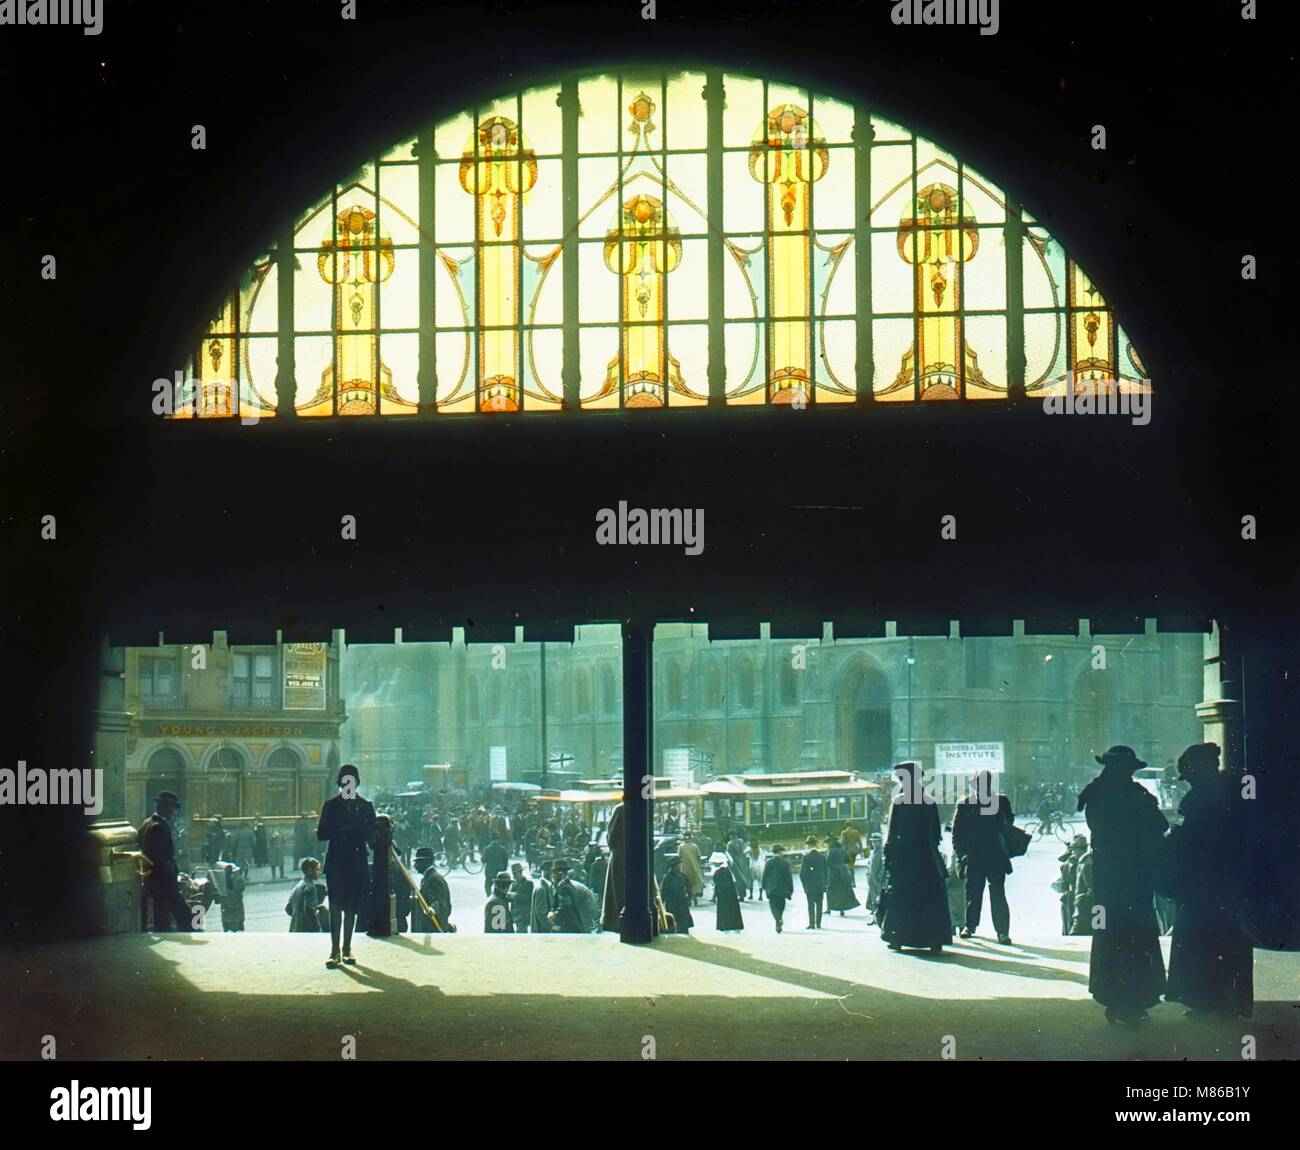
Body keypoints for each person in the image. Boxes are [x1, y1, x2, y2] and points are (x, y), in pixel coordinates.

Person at [1078, 745, 1168, 1024]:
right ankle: (1135, 1000)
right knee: (1137, 934)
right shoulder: (1137, 796)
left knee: (1109, 934)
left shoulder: (1094, 794)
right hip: (1135, 876)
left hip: (1107, 876)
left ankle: (1112, 998)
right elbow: (1160, 824)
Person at [1164, 743, 1253, 1019]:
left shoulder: (1201, 799)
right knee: (1227, 942)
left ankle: (1209, 1002)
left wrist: (1173, 842)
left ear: (1198, 771)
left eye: (1189, 775)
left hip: (1203, 884)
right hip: (1227, 882)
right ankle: (1226, 1002)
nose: (1187, 780)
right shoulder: (1228, 792)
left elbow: (1192, 841)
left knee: (1203, 942)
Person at [878, 762, 952, 953]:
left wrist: (888, 855)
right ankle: (935, 940)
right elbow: (936, 832)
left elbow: (892, 832)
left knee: (902, 898)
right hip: (926, 856)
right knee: (931, 898)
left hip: (904, 856)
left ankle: (897, 938)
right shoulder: (929, 800)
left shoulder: (899, 800)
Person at [317, 764, 378, 969]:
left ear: (357, 783)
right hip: (337, 862)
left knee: (350, 908)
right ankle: (335, 950)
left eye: (352, 782)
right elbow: (321, 834)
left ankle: (347, 948)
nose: (349, 785)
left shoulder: (366, 806)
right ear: (341, 784)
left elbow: (372, 837)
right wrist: (343, 829)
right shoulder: (331, 806)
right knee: (335, 907)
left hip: (354, 862)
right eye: (346, 782)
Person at [951, 770, 1015, 943]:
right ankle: (970, 926)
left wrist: (999, 815)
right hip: (974, 857)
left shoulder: (1001, 801)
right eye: (979, 783)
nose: (983, 786)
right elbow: (957, 834)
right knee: (973, 892)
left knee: (998, 894)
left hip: (995, 855)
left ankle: (1002, 932)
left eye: (987, 783)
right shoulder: (964, 804)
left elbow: (1009, 824)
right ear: (973, 785)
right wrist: (962, 855)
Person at [138, 791, 195, 932]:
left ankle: (167, 935)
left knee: (162, 915)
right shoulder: (159, 827)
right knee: (184, 916)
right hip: (163, 881)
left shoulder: (146, 823)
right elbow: (159, 857)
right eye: (173, 808)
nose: (174, 812)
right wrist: (170, 871)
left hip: (153, 879)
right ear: (167, 807)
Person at [600, 803, 626, 931]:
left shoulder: (620, 810)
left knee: (616, 888)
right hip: (631, 854)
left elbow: (611, 837)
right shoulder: (640, 807)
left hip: (619, 855)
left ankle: (614, 921)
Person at [1056, 835, 1088, 935]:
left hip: (1073, 900)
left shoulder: (1070, 864)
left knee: (1071, 929)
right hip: (1073, 900)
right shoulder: (1074, 863)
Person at [287, 857, 327, 932]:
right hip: (305, 930)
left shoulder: (298, 885)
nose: (319, 872)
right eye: (317, 869)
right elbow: (310, 911)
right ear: (309, 870)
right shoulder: (310, 887)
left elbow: (288, 908)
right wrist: (318, 930)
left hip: (294, 929)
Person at [761, 844, 794, 933]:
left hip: (772, 889)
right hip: (782, 889)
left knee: (773, 907)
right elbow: (789, 877)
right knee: (781, 906)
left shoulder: (769, 862)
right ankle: (778, 923)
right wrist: (790, 889)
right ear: (779, 852)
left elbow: (765, 875)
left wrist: (764, 885)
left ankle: (778, 920)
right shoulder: (785, 863)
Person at [710, 851, 744, 932]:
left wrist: (714, 895)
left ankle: (724, 925)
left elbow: (718, 884)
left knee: (724, 910)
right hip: (731, 894)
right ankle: (734, 925)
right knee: (732, 909)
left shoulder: (719, 872)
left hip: (722, 894)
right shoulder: (727, 870)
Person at [826, 837, 860, 916]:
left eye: (828, 842)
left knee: (830, 891)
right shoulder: (842, 850)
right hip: (843, 873)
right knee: (842, 892)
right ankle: (842, 909)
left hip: (833, 874)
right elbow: (847, 860)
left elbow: (827, 862)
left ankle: (829, 909)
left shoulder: (830, 851)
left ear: (831, 843)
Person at [661, 855, 693, 934]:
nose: (680, 866)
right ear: (674, 866)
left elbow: (688, 886)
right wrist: (661, 904)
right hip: (672, 904)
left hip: (682, 903)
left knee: (684, 924)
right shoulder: (667, 878)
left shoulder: (682, 876)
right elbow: (663, 892)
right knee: (675, 923)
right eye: (679, 865)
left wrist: (689, 897)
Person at [799, 835, 826, 929]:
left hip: (810, 886)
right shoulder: (822, 857)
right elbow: (826, 872)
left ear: (808, 845)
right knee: (819, 905)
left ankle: (812, 924)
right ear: (816, 844)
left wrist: (805, 884)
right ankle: (819, 924)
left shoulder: (806, 858)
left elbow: (802, 874)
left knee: (810, 905)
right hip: (820, 885)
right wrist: (824, 883)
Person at [217, 861, 246, 932]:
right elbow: (242, 888)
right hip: (237, 909)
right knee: (239, 930)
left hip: (226, 912)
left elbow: (218, 898)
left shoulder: (221, 882)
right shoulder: (239, 880)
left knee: (227, 930)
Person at [677, 832, 705, 905]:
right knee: (694, 883)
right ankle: (695, 898)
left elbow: (679, 857)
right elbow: (699, 856)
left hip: (685, 868)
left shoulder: (681, 847)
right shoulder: (695, 846)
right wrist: (697, 863)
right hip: (694, 867)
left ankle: (689, 899)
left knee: (686, 883)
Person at [481, 832, 510, 897]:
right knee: (499, 887)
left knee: (487, 886)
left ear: (491, 840)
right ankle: (498, 898)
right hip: (499, 872)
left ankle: (489, 897)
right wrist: (504, 869)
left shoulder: (487, 848)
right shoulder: (503, 849)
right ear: (498, 840)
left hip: (489, 872)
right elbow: (506, 860)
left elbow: (483, 860)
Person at [865, 832, 885, 923]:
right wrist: (867, 874)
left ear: (880, 842)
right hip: (871, 880)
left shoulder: (882, 852)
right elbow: (869, 864)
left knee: (879, 900)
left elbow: (883, 867)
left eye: (875, 842)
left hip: (877, 881)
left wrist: (879, 877)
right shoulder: (873, 852)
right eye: (873, 842)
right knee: (873, 900)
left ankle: (880, 919)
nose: (874, 843)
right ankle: (875, 918)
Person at [726, 831, 752, 900]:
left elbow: (729, 855)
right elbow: (748, 849)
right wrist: (743, 855)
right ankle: (743, 894)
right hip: (743, 862)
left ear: (731, 836)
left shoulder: (730, 843)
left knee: (738, 880)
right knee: (744, 878)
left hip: (735, 863)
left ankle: (741, 896)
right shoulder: (741, 841)